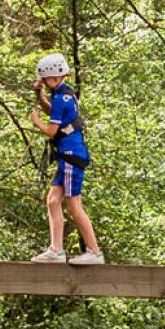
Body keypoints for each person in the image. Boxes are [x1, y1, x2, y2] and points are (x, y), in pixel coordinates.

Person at [28, 52, 104, 264]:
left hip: (72, 156)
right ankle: (56, 250)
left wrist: (36, 122)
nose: (43, 82)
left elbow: (52, 130)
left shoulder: (61, 98)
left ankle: (94, 252)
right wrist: (40, 97)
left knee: (73, 205)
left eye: (44, 80)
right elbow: (55, 113)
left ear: (53, 78)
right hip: (67, 157)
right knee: (53, 201)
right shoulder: (64, 95)